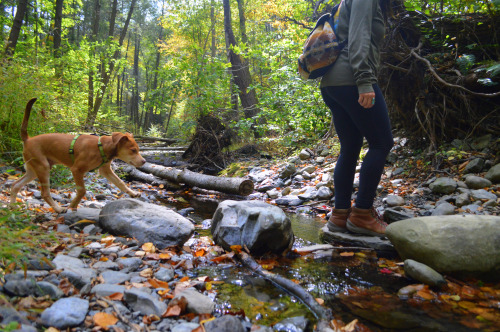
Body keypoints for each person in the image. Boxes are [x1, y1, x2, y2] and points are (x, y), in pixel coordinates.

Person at [321, 0, 394, 236]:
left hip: (332, 83)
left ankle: (340, 215)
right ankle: (362, 214)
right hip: (352, 80)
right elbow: (358, 38)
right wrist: (364, 81)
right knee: (381, 143)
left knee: (350, 147)